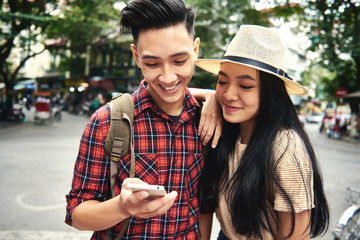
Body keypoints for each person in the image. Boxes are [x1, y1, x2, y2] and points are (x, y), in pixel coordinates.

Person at [65, 0, 221, 239]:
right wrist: (122, 207)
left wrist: (214, 98)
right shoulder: (108, 121)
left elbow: (204, 206)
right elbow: (76, 212)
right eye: (152, 63)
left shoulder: (207, 119)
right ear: (136, 56)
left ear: (195, 50)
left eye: (179, 61)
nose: (168, 77)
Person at [196, 25, 329, 239]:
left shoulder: (286, 149)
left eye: (246, 86)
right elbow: (166, 94)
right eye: (222, 82)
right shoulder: (224, 131)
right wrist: (210, 96)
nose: (229, 94)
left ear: (271, 92)